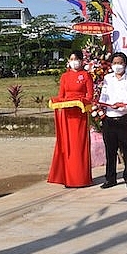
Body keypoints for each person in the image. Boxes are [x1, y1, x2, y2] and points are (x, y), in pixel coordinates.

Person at [48, 51, 94, 188]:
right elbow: (61, 95)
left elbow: (90, 96)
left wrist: (81, 101)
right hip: (67, 116)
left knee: (79, 146)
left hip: (80, 115)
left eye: (77, 59)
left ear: (82, 61)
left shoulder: (86, 76)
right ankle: (68, 178)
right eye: (72, 59)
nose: (75, 61)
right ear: (69, 61)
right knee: (67, 146)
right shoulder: (65, 77)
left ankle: (81, 178)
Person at [98, 52, 127, 189]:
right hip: (109, 119)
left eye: (120, 63)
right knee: (110, 151)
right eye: (115, 63)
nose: (117, 66)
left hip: (125, 119)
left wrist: (123, 104)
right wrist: (106, 105)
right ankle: (110, 179)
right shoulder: (107, 79)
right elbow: (102, 98)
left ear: (125, 64)